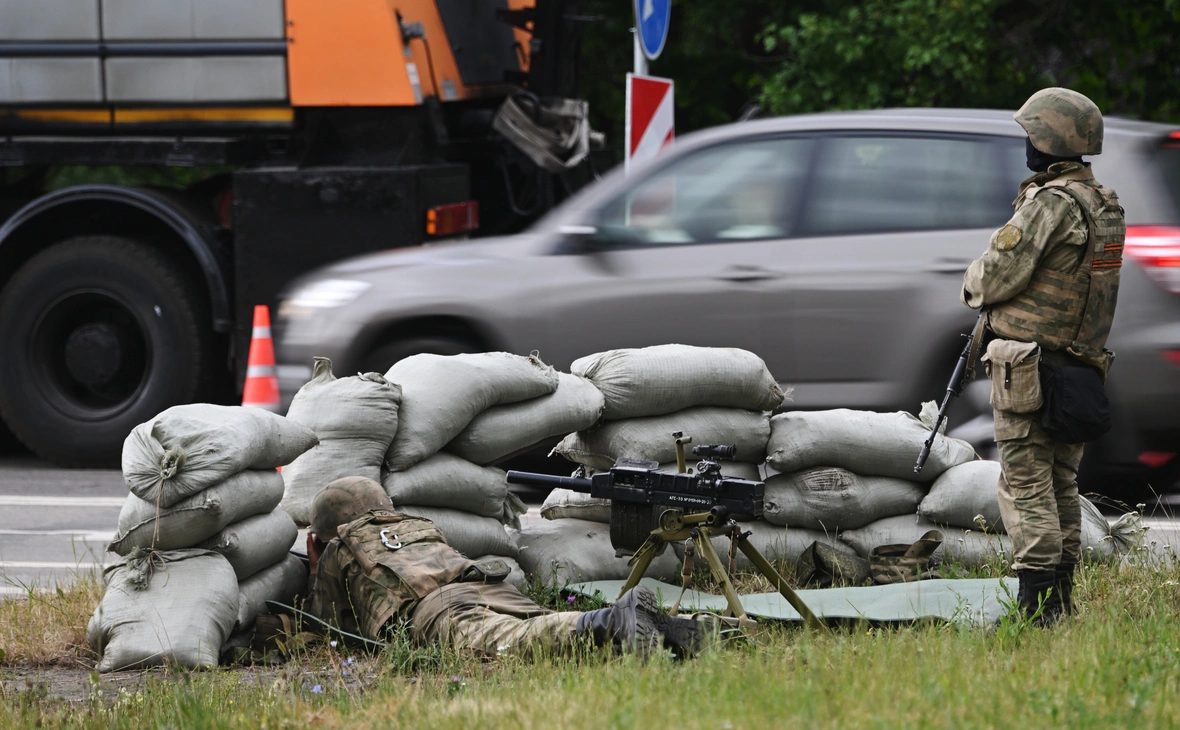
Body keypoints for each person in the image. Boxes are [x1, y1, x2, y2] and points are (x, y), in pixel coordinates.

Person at [961, 87, 1125, 624]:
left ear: (1050, 141)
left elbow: (993, 277)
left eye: (1031, 135)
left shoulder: (1050, 204)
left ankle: (1038, 609)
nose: (1027, 145)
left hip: (1030, 371)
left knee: (1026, 485)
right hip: (1079, 369)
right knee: (1062, 485)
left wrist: (972, 283)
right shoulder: (1104, 204)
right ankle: (1062, 600)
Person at [304, 476, 708, 658]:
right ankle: (683, 627)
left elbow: (329, 630)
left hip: (438, 609)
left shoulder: (341, 547)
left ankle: (614, 621)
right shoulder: (418, 524)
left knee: (513, 641)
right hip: (487, 585)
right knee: (550, 625)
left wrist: (317, 565)